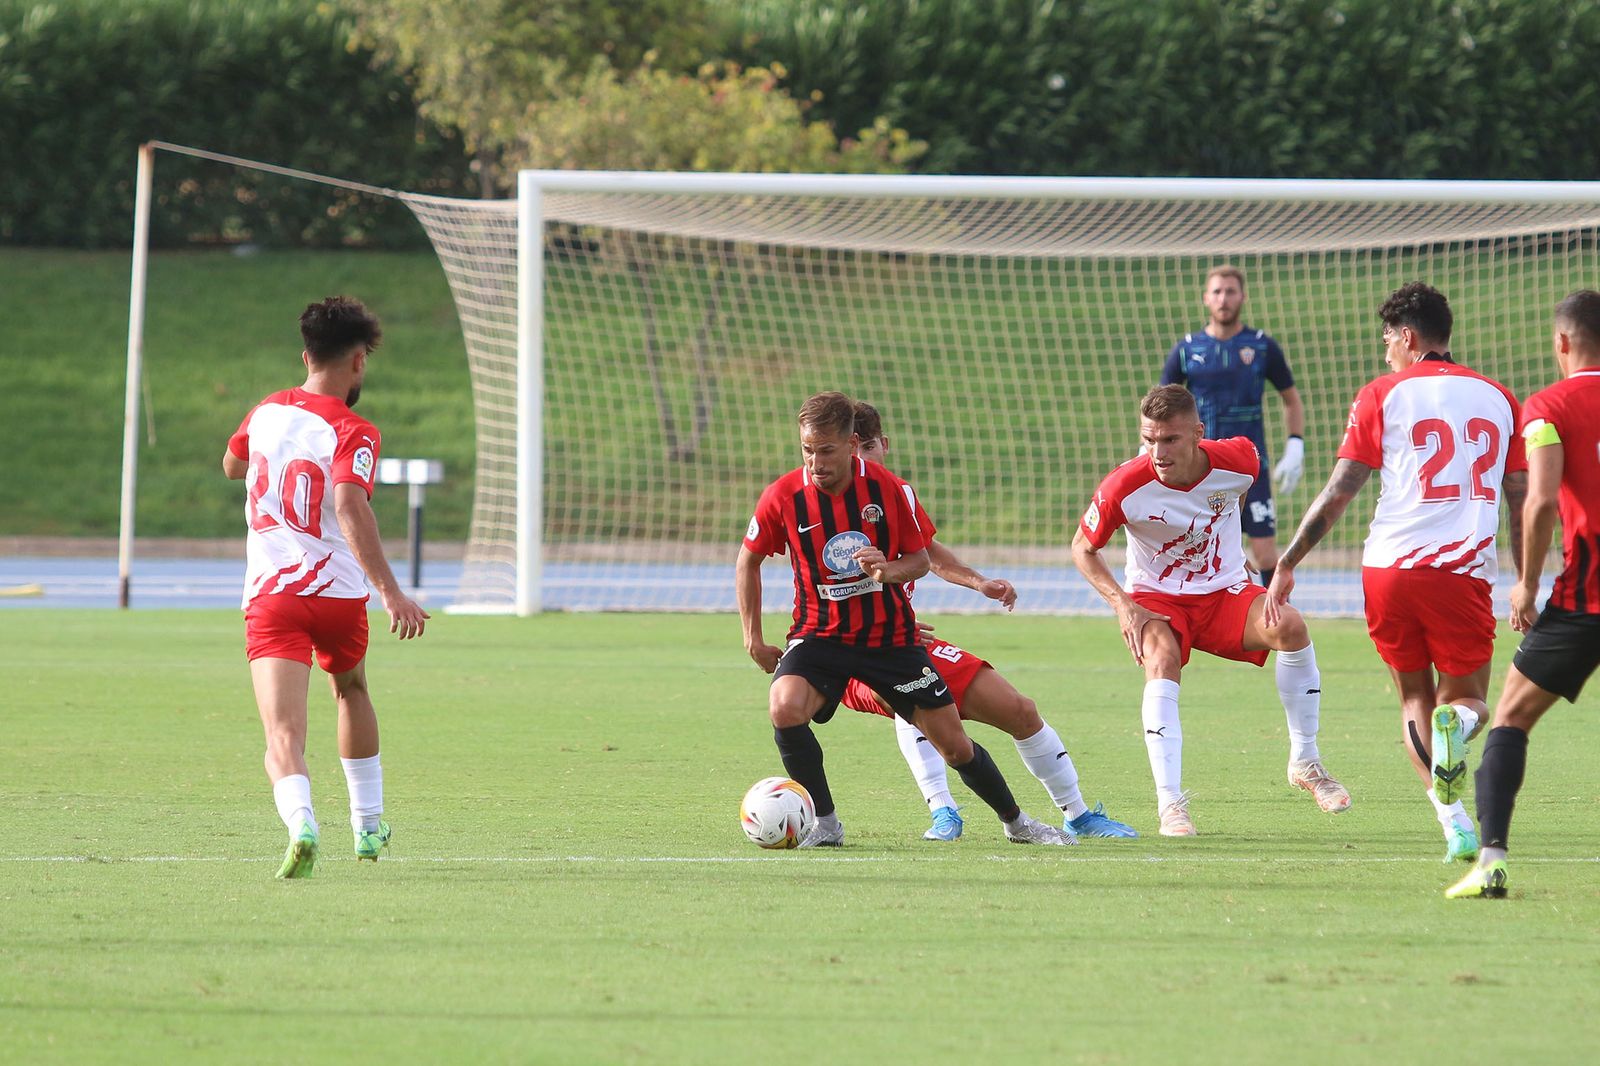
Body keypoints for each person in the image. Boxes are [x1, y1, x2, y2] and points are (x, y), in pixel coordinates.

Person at [736, 391, 1070, 848]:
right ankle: (826, 824)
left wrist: (885, 570)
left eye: (826, 450)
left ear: (852, 444)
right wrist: (752, 638)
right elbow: (747, 561)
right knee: (784, 706)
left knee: (954, 745)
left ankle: (1018, 823)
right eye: (807, 450)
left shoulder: (886, 490)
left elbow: (918, 559)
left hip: (889, 639)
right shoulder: (784, 495)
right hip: (820, 635)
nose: (815, 462)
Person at [1266, 282, 1525, 864]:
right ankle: (1457, 726)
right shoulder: (1501, 399)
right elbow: (1521, 496)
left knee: (1413, 696)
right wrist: (1526, 577)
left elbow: (1341, 490)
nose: (1386, 353)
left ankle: (1454, 822)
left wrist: (1288, 561)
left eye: (1388, 341)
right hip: (1460, 573)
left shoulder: (1381, 394)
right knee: (1470, 701)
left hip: (1388, 569)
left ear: (1408, 337)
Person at [838, 402, 1137, 841]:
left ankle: (1077, 814)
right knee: (909, 694)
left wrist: (978, 583)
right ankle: (944, 811)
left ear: (883, 445)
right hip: (849, 654)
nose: (861, 458)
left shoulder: (896, 493)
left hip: (901, 642)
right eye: (851, 450)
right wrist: (875, 628)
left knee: (1019, 711)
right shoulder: (820, 505)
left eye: (868, 446)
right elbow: (816, 587)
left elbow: (927, 552)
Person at [1071, 384, 1349, 835]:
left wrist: (1229, 543)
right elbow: (1082, 548)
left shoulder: (1240, 459)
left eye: (1170, 439)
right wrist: (1122, 605)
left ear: (1198, 433)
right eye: (1149, 439)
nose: (1157, 452)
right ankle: (1171, 804)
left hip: (1223, 593)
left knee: (1292, 627)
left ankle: (1306, 762)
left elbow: (1236, 494)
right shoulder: (1123, 485)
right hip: (1156, 598)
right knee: (1160, 660)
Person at [223, 296, 429, 879]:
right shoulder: (355, 430)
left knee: (282, 732)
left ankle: (301, 823)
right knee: (352, 691)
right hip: (337, 596)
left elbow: (232, 466)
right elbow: (347, 501)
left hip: (273, 597)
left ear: (305, 354)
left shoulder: (265, 411)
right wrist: (390, 592)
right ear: (358, 361)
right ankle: (368, 826)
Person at [1447, 290, 1600, 899]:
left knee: (1509, 717)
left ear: (1561, 342)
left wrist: (1527, 583)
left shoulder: (1547, 408)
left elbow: (1538, 501)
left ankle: (1490, 860)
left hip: (1584, 598)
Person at [1162, 265, 1306, 587]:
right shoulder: (1187, 349)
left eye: (1230, 291)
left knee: (1266, 553)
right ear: (1206, 299)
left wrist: (1295, 444)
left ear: (1242, 297)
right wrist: (1148, 447)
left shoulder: (1261, 346)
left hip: (1251, 467)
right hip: (1200, 469)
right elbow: (1161, 405)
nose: (1223, 298)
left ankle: (1275, 626)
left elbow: (1291, 399)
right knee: (1204, 550)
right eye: (1217, 291)